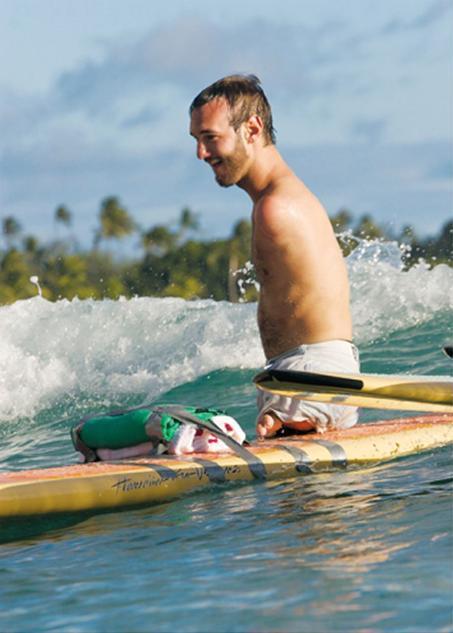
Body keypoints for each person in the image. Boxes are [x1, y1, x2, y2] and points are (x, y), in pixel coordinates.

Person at [189, 74, 360, 438]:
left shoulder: (276, 209)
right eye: (197, 140)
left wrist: (298, 400)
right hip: (313, 375)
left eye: (210, 138)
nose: (201, 154)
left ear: (252, 128)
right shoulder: (284, 198)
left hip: (309, 377)